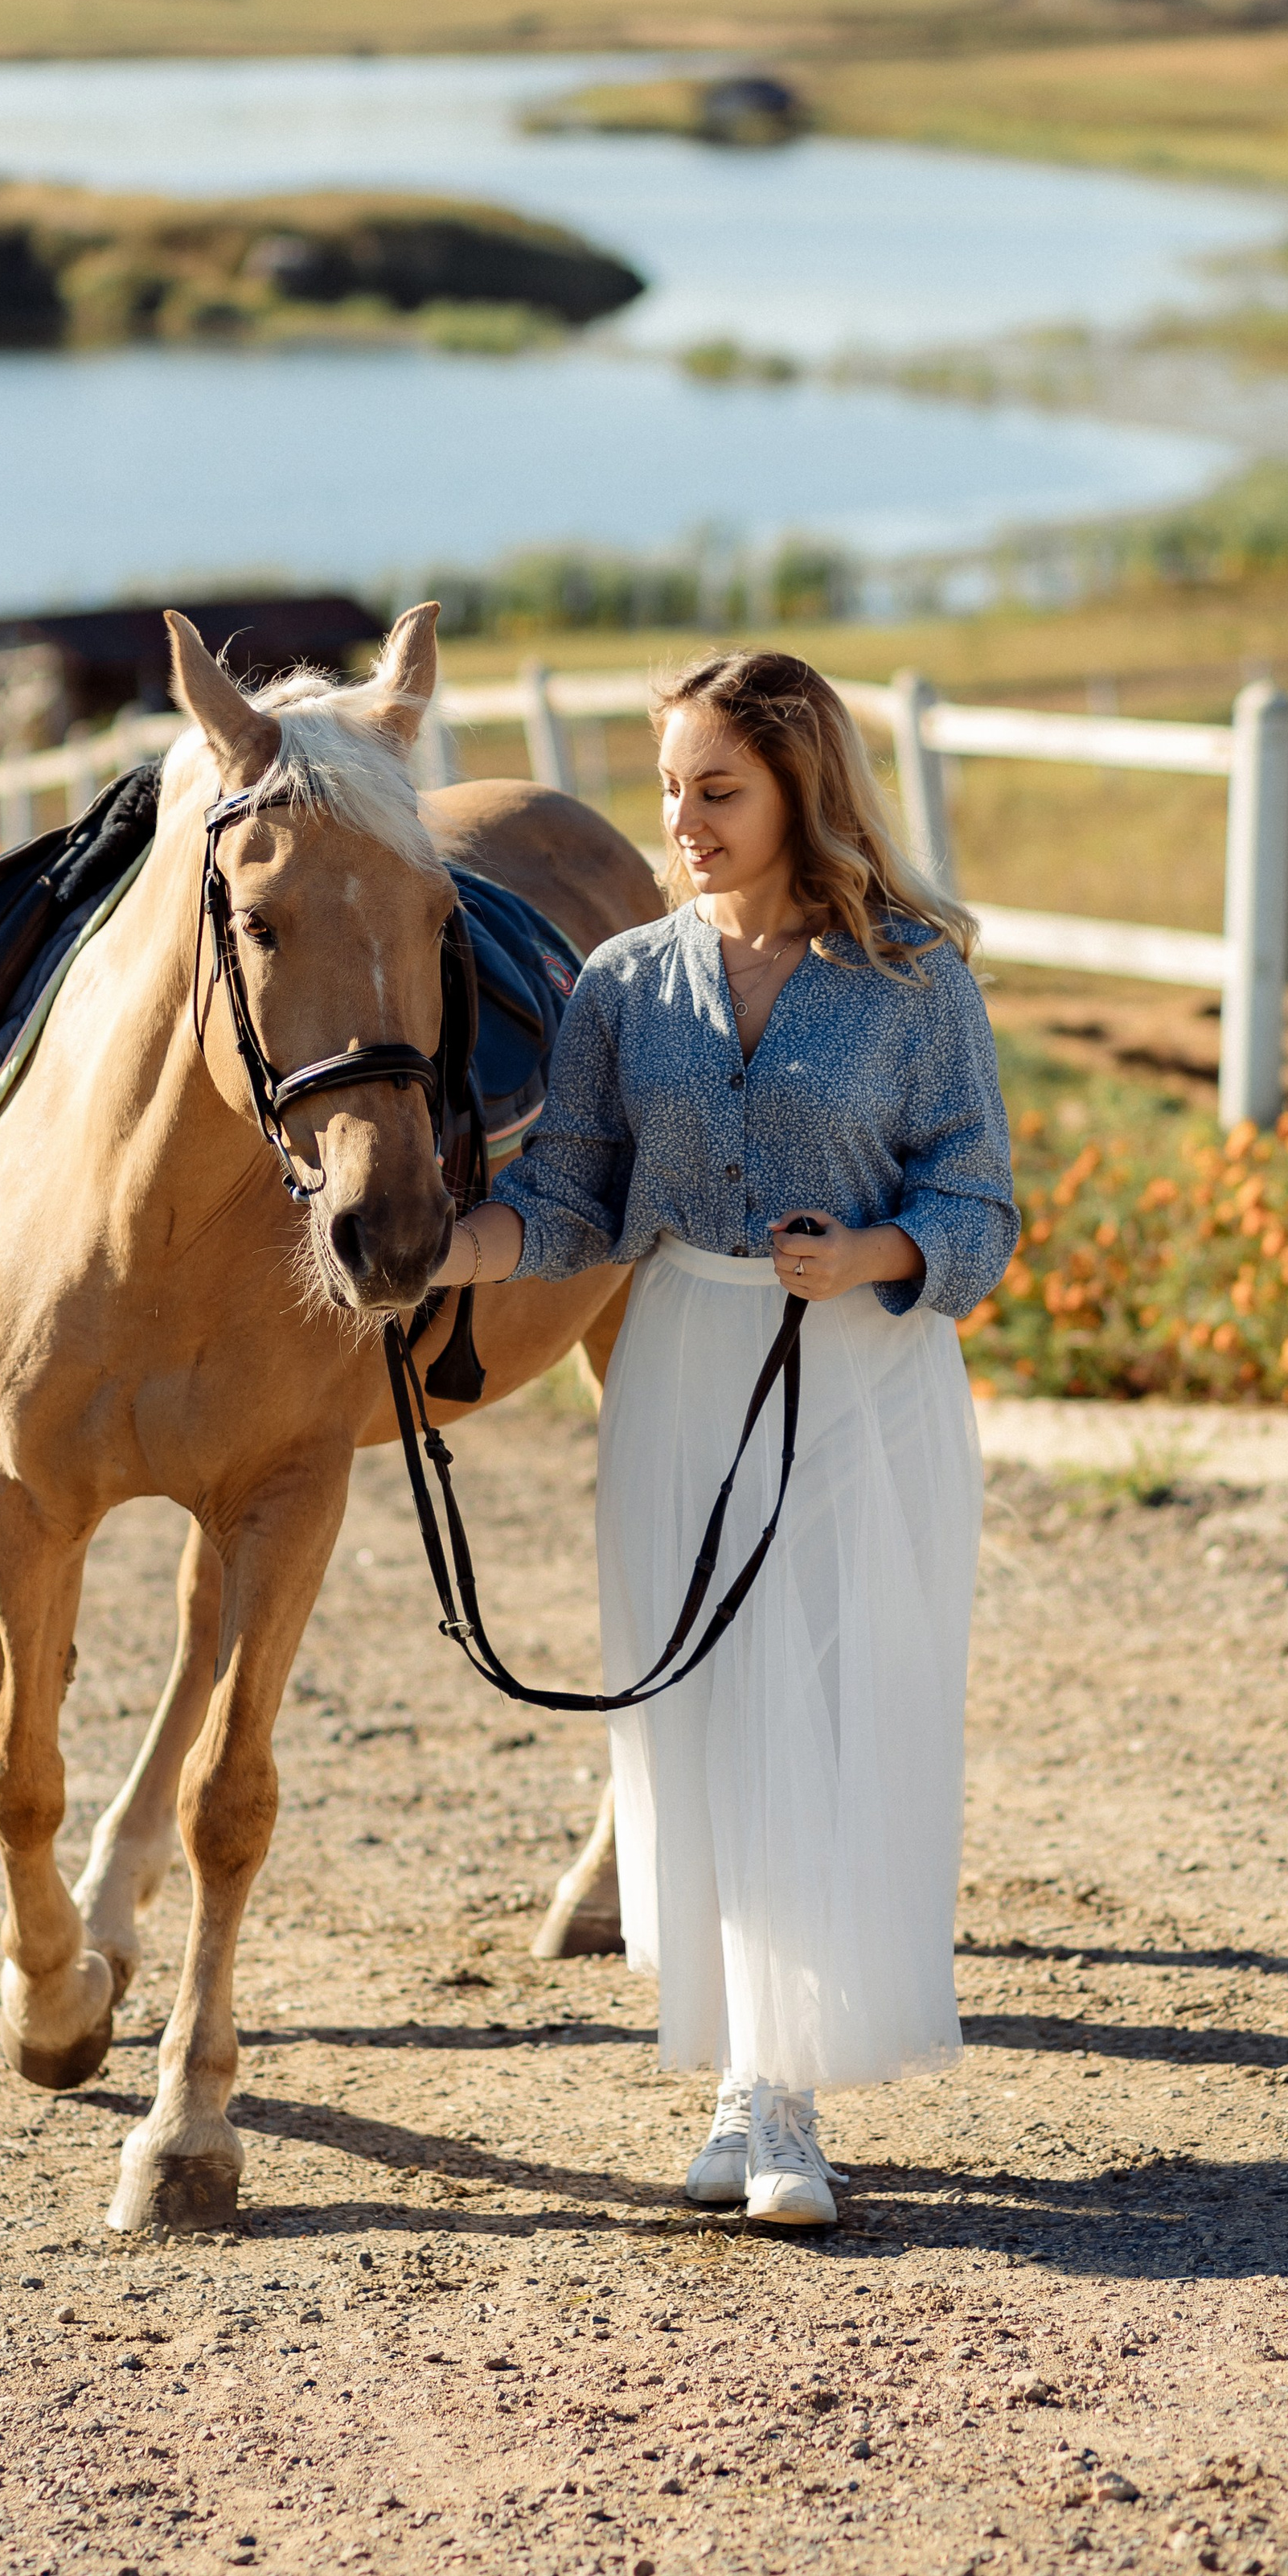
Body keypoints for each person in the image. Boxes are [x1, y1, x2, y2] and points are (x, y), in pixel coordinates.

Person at [427, 649, 1016, 2226]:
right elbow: (565, 1206)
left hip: (860, 1380)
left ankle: (784, 2104)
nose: (680, 820)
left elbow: (979, 1200)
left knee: (814, 1716)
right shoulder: (623, 985)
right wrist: (432, 1254)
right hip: (685, 1358)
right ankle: (742, 2082)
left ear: (796, 792)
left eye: (716, 789)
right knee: (700, 1722)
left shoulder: (912, 978)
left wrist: (874, 1257)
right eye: (669, 787)